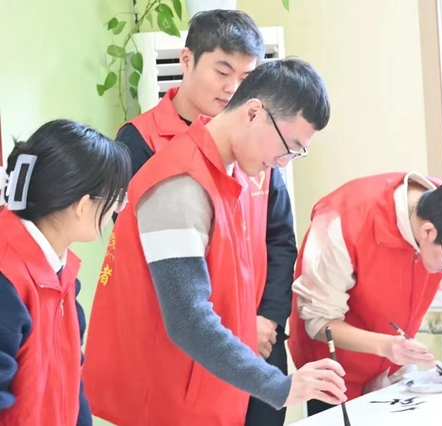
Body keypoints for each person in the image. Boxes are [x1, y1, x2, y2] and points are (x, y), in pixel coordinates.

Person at [82, 58, 347, 426]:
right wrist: (279, 386)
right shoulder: (181, 185)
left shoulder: (227, 174)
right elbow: (188, 320)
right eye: (289, 146)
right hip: (169, 404)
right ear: (253, 113)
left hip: (208, 393)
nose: (284, 162)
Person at [115, 11, 297, 425]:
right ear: (186, 60)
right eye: (222, 71)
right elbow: (142, 258)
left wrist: (267, 318)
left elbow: (280, 239)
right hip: (188, 354)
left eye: (246, 77)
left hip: (261, 342)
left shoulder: (259, 140)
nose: (233, 88)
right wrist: (234, 329)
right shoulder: (141, 141)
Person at [288, 172, 442, 415]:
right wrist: (385, 347)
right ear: (428, 232)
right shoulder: (344, 219)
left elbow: (423, 299)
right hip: (335, 377)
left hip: (389, 372)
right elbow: (319, 323)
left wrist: (394, 365)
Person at [0, 120, 131, 425]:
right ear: (83, 205)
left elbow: (72, 380)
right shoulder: (7, 278)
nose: (116, 210)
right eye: (115, 200)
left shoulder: (62, 271)